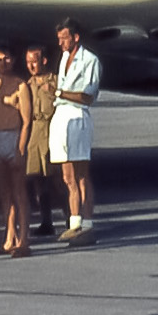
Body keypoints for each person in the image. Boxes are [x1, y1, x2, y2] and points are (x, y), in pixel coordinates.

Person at [52, 18, 101, 246]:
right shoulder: (63, 58)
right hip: (61, 117)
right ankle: (74, 223)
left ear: (76, 37)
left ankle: (87, 223)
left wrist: (60, 92)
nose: (61, 43)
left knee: (81, 175)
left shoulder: (90, 60)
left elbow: (88, 96)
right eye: (59, 38)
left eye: (64, 38)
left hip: (78, 115)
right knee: (67, 176)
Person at [0, 43, 33, 257]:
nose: (2, 63)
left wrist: (21, 148)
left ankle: (24, 238)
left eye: (5, 59)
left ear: (13, 60)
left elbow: (27, 120)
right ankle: (9, 233)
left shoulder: (20, 85)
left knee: (19, 191)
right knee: (4, 192)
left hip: (13, 136)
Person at [24, 44, 60, 237]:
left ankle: (72, 218)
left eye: (34, 61)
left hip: (51, 129)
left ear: (44, 61)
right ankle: (46, 221)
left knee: (57, 179)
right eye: (28, 62)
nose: (31, 66)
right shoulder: (27, 85)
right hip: (33, 132)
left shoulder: (55, 82)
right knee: (36, 179)